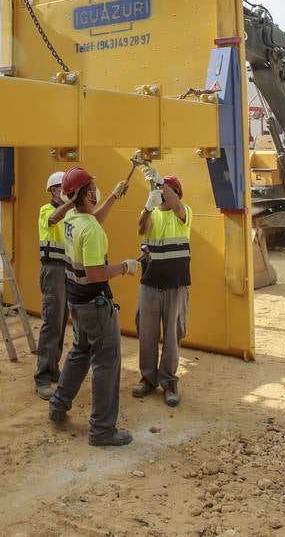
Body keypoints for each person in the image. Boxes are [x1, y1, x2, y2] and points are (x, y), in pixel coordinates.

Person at [48, 166, 140, 447]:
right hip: (96, 305)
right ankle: (102, 429)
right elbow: (96, 273)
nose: (95, 192)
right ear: (87, 194)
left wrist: (112, 196)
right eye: (93, 190)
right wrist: (125, 266)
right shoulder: (91, 232)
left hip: (77, 302)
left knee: (80, 351)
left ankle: (58, 405)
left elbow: (93, 220)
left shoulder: (73, 220)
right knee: (106, 361)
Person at [132, 169, 191, 407]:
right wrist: (148, 205)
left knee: (172, 334)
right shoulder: (152, 214)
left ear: (175, 193)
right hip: (150, 284)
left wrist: (159, 182)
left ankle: (169, 380)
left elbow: (176, 205)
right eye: (159, 191)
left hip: (175, 285)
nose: (162, 195)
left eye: (166, 191)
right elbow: (141, 227)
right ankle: (148, 378)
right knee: (146, 333)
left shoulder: (183, 213)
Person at [34, 171, 71, 400]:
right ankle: (43, 377)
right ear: (54, 190)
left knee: (61, 321)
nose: (67, 192)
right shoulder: (46, 210)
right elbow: (53, 219)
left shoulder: (70, 212)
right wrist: (71, 204)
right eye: (63, 188)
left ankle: (54, 367)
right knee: (52, 322)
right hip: (53, 271)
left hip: (68, 270)